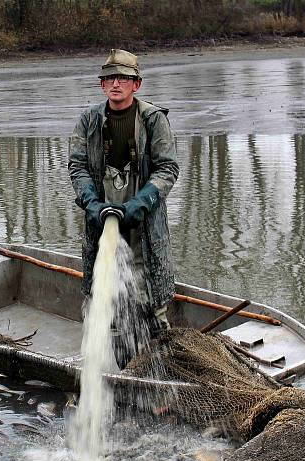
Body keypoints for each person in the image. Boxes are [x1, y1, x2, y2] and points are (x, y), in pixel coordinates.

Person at [68, 49, 179, 362]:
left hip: (143, 226)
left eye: (124, 78)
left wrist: (138, 205)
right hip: (102, 224)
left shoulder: (153, 120)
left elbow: (167, 168)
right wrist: (93, 204)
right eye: (110, 78)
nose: (116, 83)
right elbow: (77, 167)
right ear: (103, 85)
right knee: (106, 298)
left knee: (152, 305)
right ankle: (126, 374)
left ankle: (162, 380)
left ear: (137, 84)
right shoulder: (89, 121)